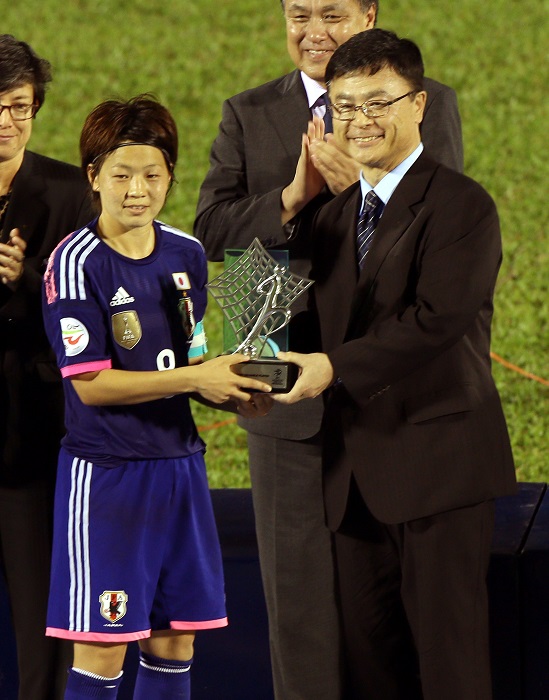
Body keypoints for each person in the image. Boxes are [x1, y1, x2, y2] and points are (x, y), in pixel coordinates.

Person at [194, 2, 463, 698]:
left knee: (394, 616)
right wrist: (290, 197)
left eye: (334, 14)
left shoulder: (425, 104)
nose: (314, 31)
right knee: (300, 614)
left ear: (368, 14)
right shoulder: (250, 112)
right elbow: (212, 229)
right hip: (284, 398)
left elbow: (447, 225)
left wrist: (363, 189)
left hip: (391, 401)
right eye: (299, 14)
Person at [274, 28, 517, 700]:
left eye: (377, 103)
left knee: (449, 666)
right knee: (370, 667)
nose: (360, 120)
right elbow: (294, 326)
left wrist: (330, 368)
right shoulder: (331, 217)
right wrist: (248, 372)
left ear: (419, 104)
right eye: (345, 106)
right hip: (354, 482)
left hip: (438, 473)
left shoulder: (462, 205)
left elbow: (435, 320)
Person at [41, 95, 272, 700]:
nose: (137, 190)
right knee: (102, 649)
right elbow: (90, 384)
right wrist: (197, 380)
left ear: (170, 175)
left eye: (152, 174)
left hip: (180, 471)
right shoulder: (75, 264)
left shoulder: (186, 253)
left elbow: (190, 359)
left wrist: (235, 389)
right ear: (94, 176)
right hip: (108, 478)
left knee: (175, 642)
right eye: (121, 175)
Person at [0, 34, 93, 700]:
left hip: (33, 445)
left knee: (44, 629)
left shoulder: (67, 192)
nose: (8, 122)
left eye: (20, 106)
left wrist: (30, 280)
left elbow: (96, 313)